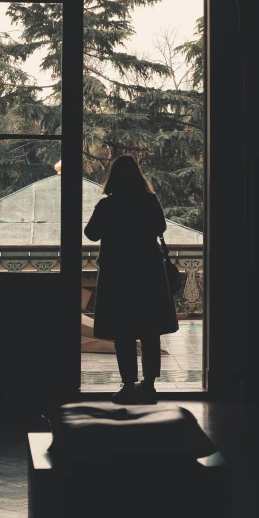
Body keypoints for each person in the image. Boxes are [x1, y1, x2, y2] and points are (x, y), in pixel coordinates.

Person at [84, 154, 179, 403]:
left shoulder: (108, 206)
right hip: (148, 274)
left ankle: (128, 384)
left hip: (118, 275)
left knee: (123, 332)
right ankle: (149, 385)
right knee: (150, 332)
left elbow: (91, 233)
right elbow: (160, 228)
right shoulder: (149, 201)